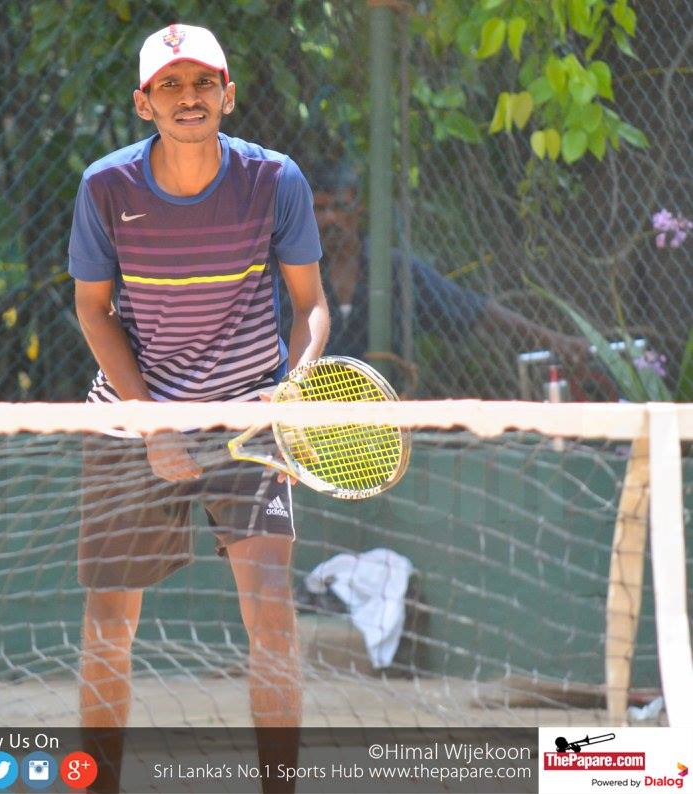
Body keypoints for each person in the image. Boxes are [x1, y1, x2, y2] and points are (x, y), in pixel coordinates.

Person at [68, 23, 325, 793]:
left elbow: (309, 306)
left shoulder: (275, 180)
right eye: (170, 86)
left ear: (227, 95)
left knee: (272, 610)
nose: (189, 98)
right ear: (143, 103)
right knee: (111, 623)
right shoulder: (104, 188)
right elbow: (93, 313)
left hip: (247, 418)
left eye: (202, 83)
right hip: (131, 417)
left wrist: (294, 383)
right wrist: (154, 427)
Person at [308, 160, 587, 378]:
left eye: (339, 206)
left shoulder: (393, 269)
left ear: (358, 208)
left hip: (386, 416)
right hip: (307, 416)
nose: (330, 218)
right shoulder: (293, 274)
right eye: (320, 209)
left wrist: (554, 340)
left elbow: (473, 309)